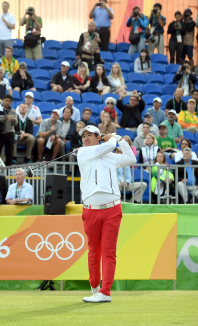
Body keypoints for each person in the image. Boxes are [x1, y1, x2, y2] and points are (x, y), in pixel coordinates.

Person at [78, 126, 135, 303]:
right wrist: (113, 138)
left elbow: (131, 159)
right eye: (83, 136)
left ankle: (105, 292)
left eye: (90, 135)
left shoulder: (110, 156)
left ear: (98, 137)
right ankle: (95, 286)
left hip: (112, 209)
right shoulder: (82, 153)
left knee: (109, 252)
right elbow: (109, 146)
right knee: (94, 250)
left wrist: (120, 139)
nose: (86, 138)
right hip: (90, 210)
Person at [0, 94, 17, 165]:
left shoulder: (13, 111)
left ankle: (8, 167)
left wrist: (14, 120)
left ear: (11, 102)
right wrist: (4, 119)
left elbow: (16, 123)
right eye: (6, 100)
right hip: (0, 132)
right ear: (3, 100)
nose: (7, 102)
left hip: (10, 132)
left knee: (9, 152)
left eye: (9, 101)